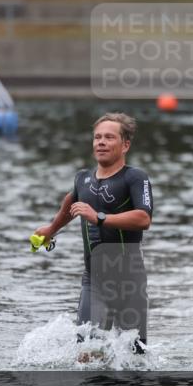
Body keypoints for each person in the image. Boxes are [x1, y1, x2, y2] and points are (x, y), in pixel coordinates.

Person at [33, 112, 153, 356]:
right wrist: (51, 229)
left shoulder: (135, 178)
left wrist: (99, 217)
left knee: (134, 357)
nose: (101, 142)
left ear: (125, 144)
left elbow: (143, 218)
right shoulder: (82, 179)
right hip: (94, 280)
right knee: (85, 351)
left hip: (129, 281)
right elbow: (70, 205)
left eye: (109, 137)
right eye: (97, 137)